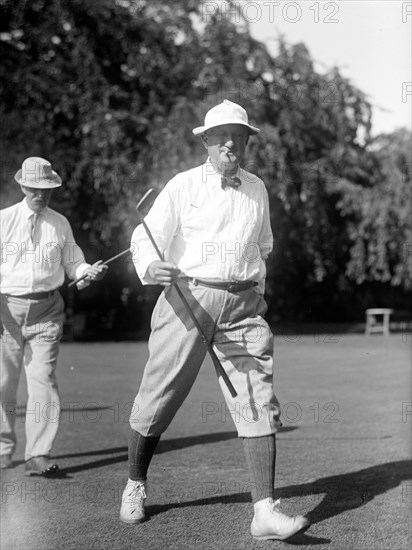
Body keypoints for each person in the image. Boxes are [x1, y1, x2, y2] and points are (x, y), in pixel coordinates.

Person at [123, 100, 310, 541]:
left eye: (239, 135)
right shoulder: (183, 185)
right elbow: (144, 238)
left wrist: (254, 289)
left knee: (257, 400)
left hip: (243, 306)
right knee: (160, 394)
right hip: (187, 300)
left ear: (247, 141)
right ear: (205, 141)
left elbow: (263, 246)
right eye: (221, 135)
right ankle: (135, 483)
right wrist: (152, 268)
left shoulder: (257, 189)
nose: (230, 142)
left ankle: (264, 511)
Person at [0, 157, 107, 475]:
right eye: (34, 188)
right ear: (22, 186)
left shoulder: (59, 223)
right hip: (6, 308)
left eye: (46, 188)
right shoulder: (3, 220)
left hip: (47, 310)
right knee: (4, 381)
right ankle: (3, 448)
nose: (40, 194)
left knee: (43, 381)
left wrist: (89, 271)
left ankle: (38, 453)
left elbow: (75, 263)